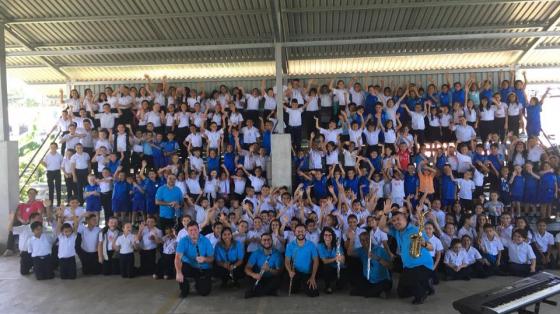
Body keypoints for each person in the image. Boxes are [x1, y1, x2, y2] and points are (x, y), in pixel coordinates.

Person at [379, 199, 434, 305]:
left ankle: (422, 293)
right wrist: (385, 213)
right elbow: (381, 227)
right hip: (408, 267)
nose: (396, 222)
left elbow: (431, 248)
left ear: (406, 218)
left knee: (413, 281)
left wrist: (424, 244)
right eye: (393, 221)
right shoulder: (397, 232)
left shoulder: (416, 229)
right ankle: (426, 284)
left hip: (423, 266)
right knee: (402, 293)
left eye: (398, 219)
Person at [175, 221, 214, 297]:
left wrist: (205, 259)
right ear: (187, 231)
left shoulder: (206, 240)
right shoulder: (183, 241)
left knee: (204, 292)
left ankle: (197, 283)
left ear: (199, 229)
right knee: (181, 268)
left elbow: (212, 258)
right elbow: (177, 258)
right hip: (190, 266)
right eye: (191, 230)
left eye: (195, 230)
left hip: (203, 268)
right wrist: (178, 272)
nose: (193, 232)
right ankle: (184, 289)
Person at [349, 231, 392, 298]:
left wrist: (377, 258)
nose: (365, 242)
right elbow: (349, 253)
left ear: (370, 239)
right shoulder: (361, 250)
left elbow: (390, 266)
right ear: (360, 242)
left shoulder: (380, 250)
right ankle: (376, 293)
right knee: (352, 292)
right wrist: (351, 239)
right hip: (368, 280)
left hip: (382, 280)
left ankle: (372, 292)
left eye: (367, 239)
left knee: (385, 285)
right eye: (362, 240)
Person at [4, 188, 45, 256]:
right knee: (13, 226)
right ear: (28, 194)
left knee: (29, 227)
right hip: (23, 222)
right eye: (30, 193)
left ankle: (26, 250)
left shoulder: (38, 203)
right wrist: (22, 220)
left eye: (33, 193)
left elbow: (40, 212)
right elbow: (18, 215)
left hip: (33, 221)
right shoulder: (22, 205)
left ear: (36, 194)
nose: (31, 194)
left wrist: (30, 220)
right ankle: (9, 248)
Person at [244, 233, 283, 298]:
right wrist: (253, 275)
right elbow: (247, 268)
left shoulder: (277, 254)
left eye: (268, 240)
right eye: (264, 240)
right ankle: (270, 292)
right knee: (249, 278)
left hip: (271, 278)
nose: (266, 242)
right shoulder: (256, 252)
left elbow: (278, 272)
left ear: (272, 241)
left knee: (278, 280)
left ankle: (256, 293)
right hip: (258, 277)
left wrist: (269, 269)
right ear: (261, 241)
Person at [285, 223, 320, 297]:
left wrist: (313, 277)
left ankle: (303, 284)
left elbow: (316, 261)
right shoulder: (290, 245)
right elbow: (287, 261)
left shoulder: (311, 245)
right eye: (298, 231)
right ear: (295, 232)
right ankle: (301, 285)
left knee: (314, 293)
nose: (300, 233)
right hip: (295, 272)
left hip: (307, 273)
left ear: (305, 232)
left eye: (302, 231)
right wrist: (289, 271)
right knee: (293, 291)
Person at [317, 227, 346, 294]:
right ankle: (328, 287)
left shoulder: (337, 244)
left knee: (340, 286)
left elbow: (343, 261)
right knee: (326, 266)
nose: (328, 237)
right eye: (326, 235)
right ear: (322, 236)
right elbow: (324, 261)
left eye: (330, 235)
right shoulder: (320, 245)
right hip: (328, 268)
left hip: (339, 268)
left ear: (333, 236)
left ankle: (337, 282)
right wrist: (335, 258)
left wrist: (341, 258)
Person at [55, 208, 79, 280]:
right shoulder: (60, 237)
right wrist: (59, 215)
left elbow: (76, 224)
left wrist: (74, 214)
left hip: (71, 259)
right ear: (62, 231)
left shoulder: (73, 236)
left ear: (72, 231)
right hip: (62, 259)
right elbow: (59, 225)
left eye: (69, 231)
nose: (67, 232)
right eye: (65, 231)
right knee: (63, 277)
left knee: (72, 277)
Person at [42, 142, 63, 207]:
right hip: (49, 172)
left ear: (56, 148)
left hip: (57, 172)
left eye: (54, 147)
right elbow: (46, 165)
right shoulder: (47, 156)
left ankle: (58, 203)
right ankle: (50, 204)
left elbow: (62, 164)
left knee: (58, 188)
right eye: (51, 147)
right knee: (51, 188)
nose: (53, 148)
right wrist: (42, 163)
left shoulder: (60, 155)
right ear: (50, 148)